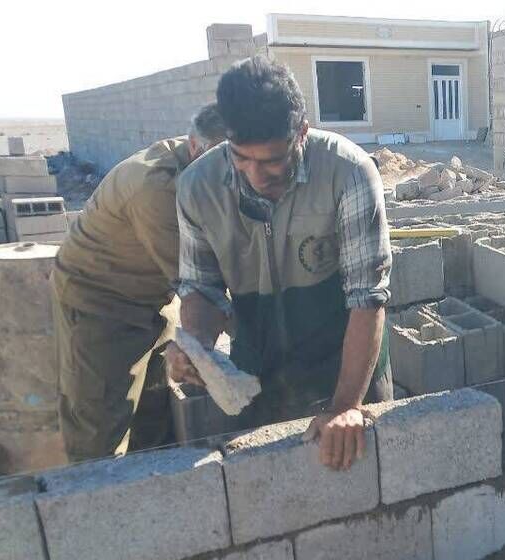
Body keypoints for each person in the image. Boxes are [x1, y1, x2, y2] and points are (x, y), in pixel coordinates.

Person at [166, 56, 392, 471]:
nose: (255, 175)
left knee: (362, 483)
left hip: (344, 367)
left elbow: (367, 297)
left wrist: (346, 405)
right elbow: (202, 289)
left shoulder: (348, 172)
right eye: (241, 159)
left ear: (301, 134)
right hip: (261, 374)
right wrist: (194, 346)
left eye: (271, 161)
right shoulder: (197, 189)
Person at [52, 104, 226, 462]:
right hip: (97, 302)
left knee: (157, 409)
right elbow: (200, 285)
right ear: (195, 146)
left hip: (149, 297)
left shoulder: (209, 161)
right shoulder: (157, 190)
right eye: (225, 163)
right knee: (98, 429)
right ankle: (98, 507)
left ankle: (151, 496)